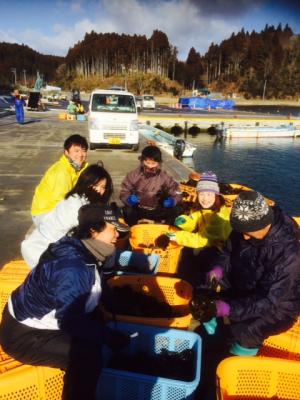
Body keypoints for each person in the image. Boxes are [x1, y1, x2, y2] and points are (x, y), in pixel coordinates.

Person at [0, 204, 131, 400]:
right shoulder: (73, 268)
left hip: (37, 321)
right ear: (93, 231)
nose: (117, 236)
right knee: (88, 355)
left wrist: (111, 302)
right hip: (23, 335)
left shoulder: (84, 247)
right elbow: (70, 321)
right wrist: (108, 336)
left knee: (95, 327)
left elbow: (92, 284)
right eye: (113, 230)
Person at [190, 190, 300, 399]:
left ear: (265, 225)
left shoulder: (289, 254)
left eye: (248, 234)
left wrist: (229, 308)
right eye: (241, 232)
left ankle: (238, 364)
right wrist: (218, 270)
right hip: (244, 287)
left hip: (280, 305)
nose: (243, 237)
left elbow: (269, 299)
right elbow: (227, 253)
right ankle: (217, 338)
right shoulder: (244, 228)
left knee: (247, 331)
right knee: (204, 293)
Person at [22, 163, 114, 268]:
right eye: (95, 185)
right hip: (42, 252)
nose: (99, 190)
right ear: (85, 182)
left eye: (103, 187)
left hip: (49, 250)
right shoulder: (77, 205)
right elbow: (85, 237)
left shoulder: (82, 199)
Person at [167, 172, 232, 285]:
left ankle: (197, 284)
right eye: (202, 194)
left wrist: (176, 236)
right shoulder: (201, 209)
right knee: (186, 253)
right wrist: (184, 222)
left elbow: (201, 240)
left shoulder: (220, 216)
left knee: (197, 259)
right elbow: (193, 221)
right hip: (204, 242)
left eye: (209, 195)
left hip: (220, 250)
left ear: (216, 195)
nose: (205, 199)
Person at [31, 134, 88, 226]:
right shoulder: (61, 172)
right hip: (45, 213)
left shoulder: (79, 168)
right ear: (66, 152)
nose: (81, 154)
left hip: (58, 209)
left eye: (83, 150)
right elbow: (62, 203)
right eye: (76, 151)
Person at [119, 145, 182, 225]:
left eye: (153, 163)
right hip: (138, 209)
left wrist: (173, 201)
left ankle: (165, 227)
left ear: (158, 163)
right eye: (147, 162)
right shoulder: (133, 175)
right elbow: (124, 191)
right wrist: (128, 199)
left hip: (157, 209)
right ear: (142, 161)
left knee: (176, 209)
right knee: (127, 210)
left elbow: (177, 192)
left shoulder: (164, 177)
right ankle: (133, 228)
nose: (150, 166)